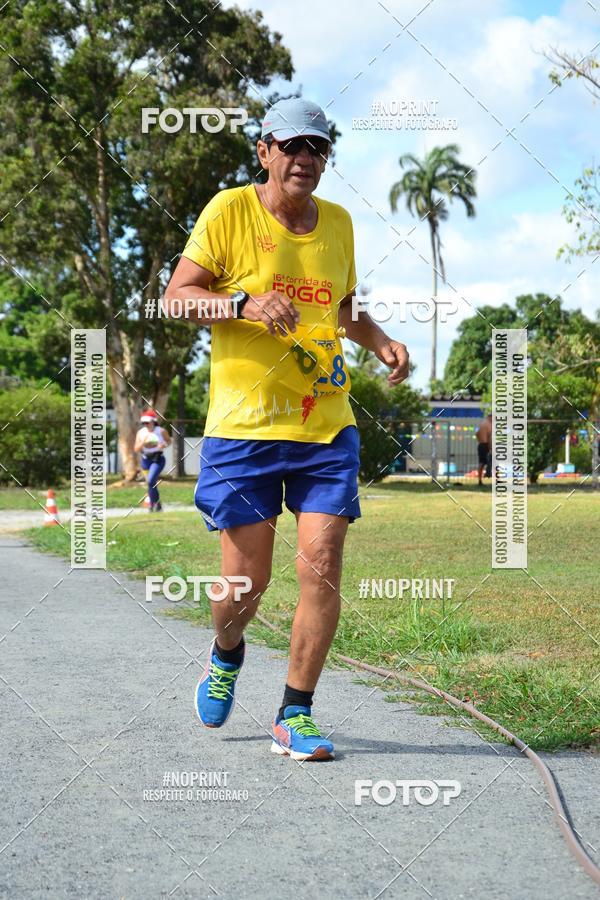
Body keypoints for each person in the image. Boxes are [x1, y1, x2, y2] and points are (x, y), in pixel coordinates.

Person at [164, 97, 409, 761]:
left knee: (322, 568)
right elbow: (175, 298)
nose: (306, 158)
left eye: (319, 148)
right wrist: (241, 302)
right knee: (246, 586)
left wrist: (380, 340)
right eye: (293, 146)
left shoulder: (338, 225)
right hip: (244, 429)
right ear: (264, 150)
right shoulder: (229, 211)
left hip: (326, 426)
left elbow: (343, 308)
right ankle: (226, 652)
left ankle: (294, 713)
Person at [134, 409, 171, 511]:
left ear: (153, 421)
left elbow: (169, 441)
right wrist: (143, 442)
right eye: (144, 423)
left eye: (147, 422)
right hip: (145, 460)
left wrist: (163, 444)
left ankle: (152, 504)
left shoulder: (161, 431)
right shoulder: (141, 433)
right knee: (151, 483)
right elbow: (136, 449)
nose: (146, 424)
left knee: (150, 480)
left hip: (157, 459)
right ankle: (156, 504)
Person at [476, 413, 493, 485]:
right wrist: (490, 447)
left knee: (481, 463)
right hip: (486, 444)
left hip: (481, 444)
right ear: (490, 417)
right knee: (485, 463)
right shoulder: (489, 425)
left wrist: (480, 440)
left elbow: (476, 433)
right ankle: (497, 479)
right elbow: (489, 437)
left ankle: (480, 480)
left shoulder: (481, 424)